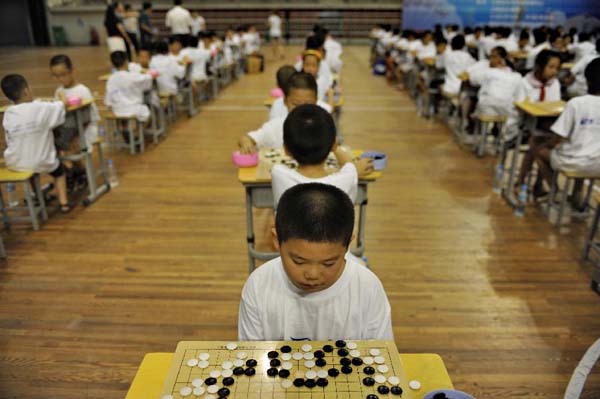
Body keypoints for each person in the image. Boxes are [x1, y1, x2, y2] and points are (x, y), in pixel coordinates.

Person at [238, 182, 393, 341]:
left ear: (347, 244)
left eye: (329, 263)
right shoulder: (258, 285)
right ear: (277, 240)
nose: (313, 275)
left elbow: (382, 355)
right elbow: (252, 356)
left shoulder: (367, 287)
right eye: (298, 261)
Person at [271, 104, 374, 208]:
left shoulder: (278, 174)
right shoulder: (348, 178)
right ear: (333, 143)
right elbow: (349, 165)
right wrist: (336, 148)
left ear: (286, 149)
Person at [531, 58, 600, 208]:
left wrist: (549, 144)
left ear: (587, 81)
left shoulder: (576, 103)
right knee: (585, 151)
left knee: (539, 149)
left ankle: (555, 190)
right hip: (598, 164)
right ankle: (577, 195)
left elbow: (559, 136)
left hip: (574, 162)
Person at [1, 74, 72, 213]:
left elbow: (9, 140)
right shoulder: (40, 107)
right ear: (26, 91)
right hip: (42, 160)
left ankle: (39, 198)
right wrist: (63, 97)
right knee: (59, 172)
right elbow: (62, 105)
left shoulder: (8, 114)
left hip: (16, 162)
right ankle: (64, 203)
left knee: (32, 171)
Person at [512, 50, 562, 197]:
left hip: (547, 126)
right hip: (525, 125)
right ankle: (538, 185)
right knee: (536, 144)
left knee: (539, 145)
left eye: (557, 68)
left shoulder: (555, 83)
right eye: (551, 67)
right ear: (539, 66)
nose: (555, 71)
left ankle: (524, 183)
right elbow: (519, 108)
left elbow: (555, 106)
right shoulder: (524, 83)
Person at [237, 72, 320, 154]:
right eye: (296, 104)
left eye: (308, 104)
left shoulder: (323, 128)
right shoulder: (276, 127)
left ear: (316, 101)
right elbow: (247, 138)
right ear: (285, 101)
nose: (302, 110)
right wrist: (247, 144)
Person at [49, 54, 100, 154]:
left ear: (72, 70)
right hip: (68, 130)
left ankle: (79, 168)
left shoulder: (83, 91)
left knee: (72, 145)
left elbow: (90, 119)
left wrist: (76, 136)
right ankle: (74, 167)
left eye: (63, 74)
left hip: (85, 129)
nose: (60, 79)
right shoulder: (59, 91)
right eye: (56, 76)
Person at [105, 50, 153, 122]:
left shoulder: (110, 79)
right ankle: (139, 131)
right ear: (126, 62)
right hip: (134, 109)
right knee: (146, 112)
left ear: (112, 64)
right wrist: (149, 73)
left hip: (118, 110)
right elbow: (148, 81)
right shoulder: (133, 76)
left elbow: (108, 101)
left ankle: (123, 129)